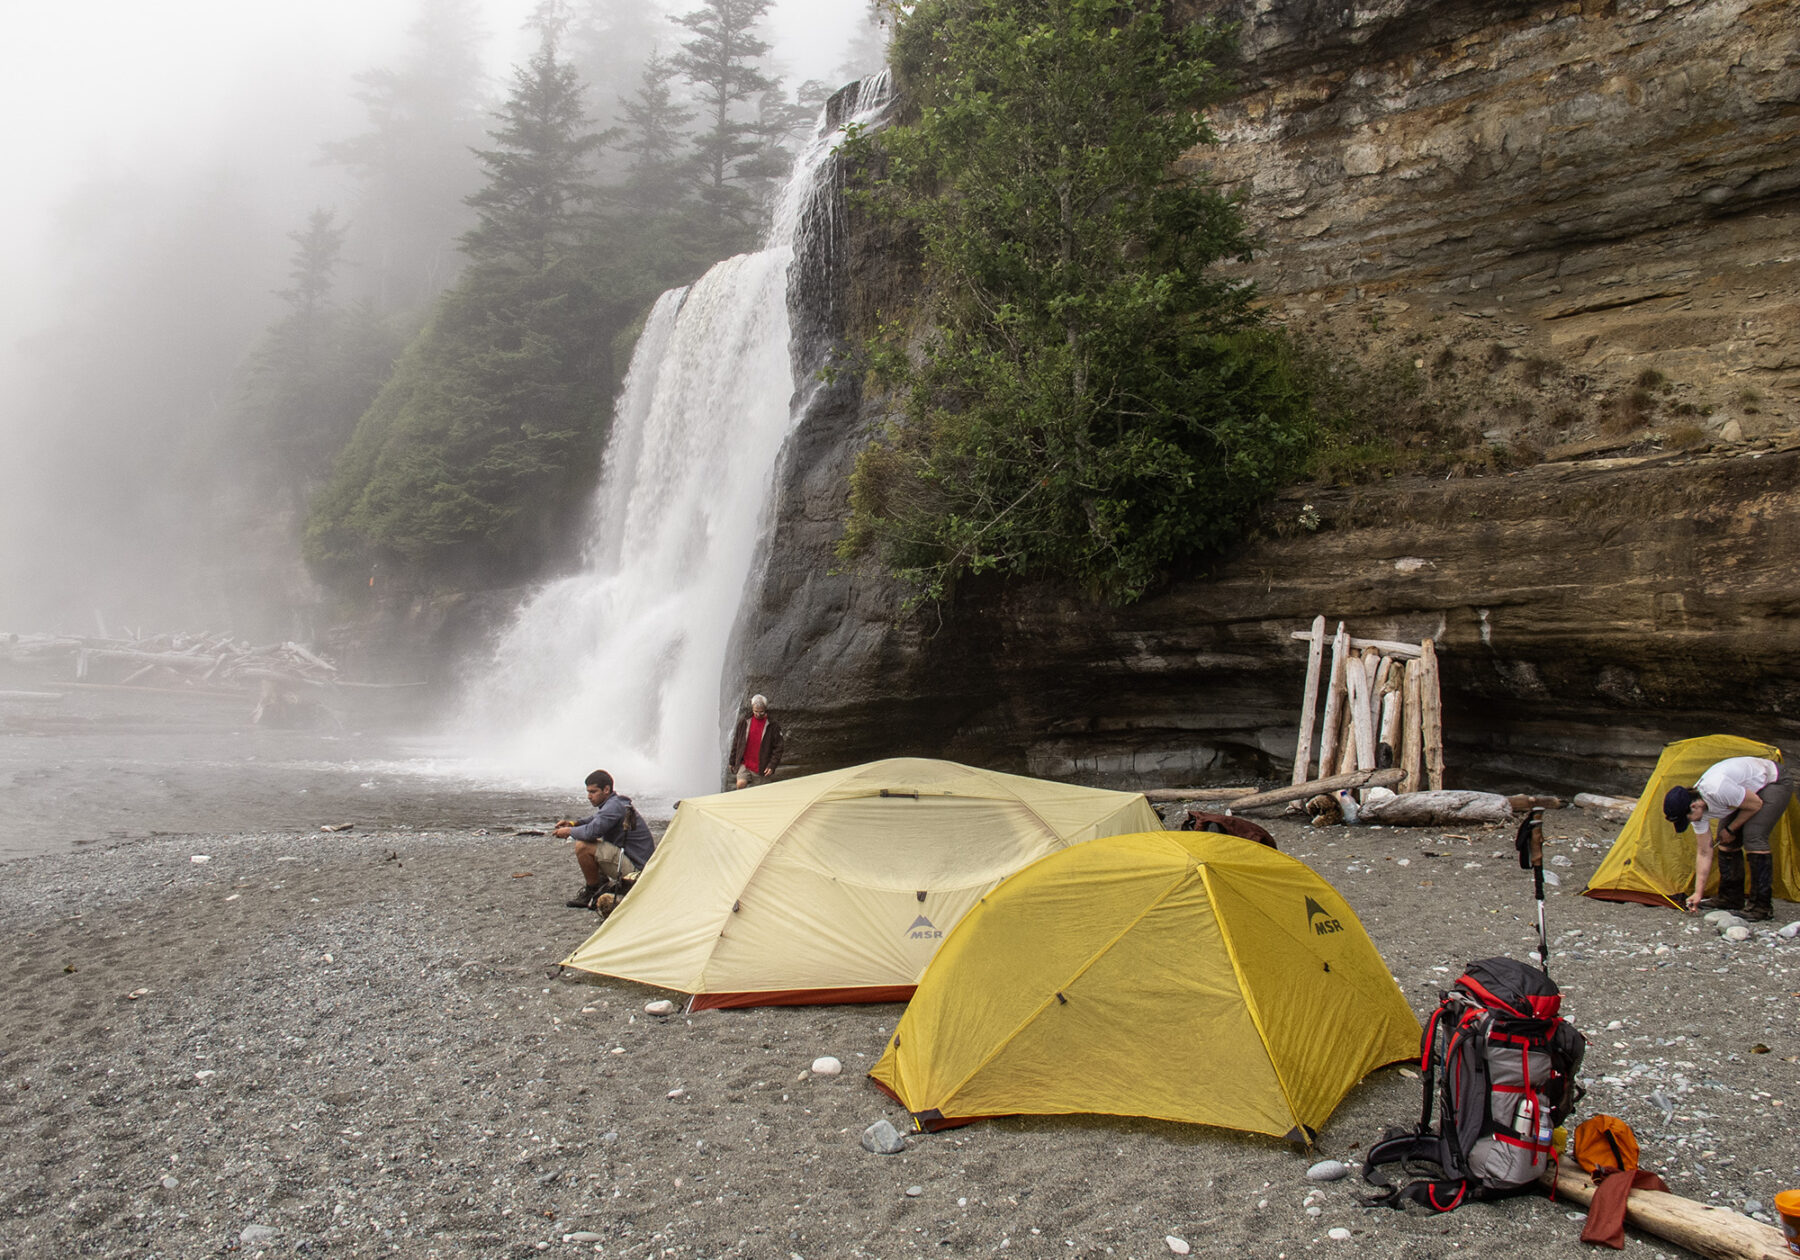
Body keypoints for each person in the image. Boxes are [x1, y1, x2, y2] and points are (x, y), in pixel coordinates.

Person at [1663, 754, 1790, 921]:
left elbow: (1756, 804)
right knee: (1724, 839)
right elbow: (1704, 851)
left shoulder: (1717, 789)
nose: (1689, 823)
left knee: (1754, 836)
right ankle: (1731, 897)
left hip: (1773, 781)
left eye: (1686, 819)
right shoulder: (1696, 810)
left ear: (1694, 806)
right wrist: (1698, 893)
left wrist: (1731, 829)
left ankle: (1761, 907)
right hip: (1745, 792)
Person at [554, 769, 656, 910]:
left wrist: (569, 831)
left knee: (583, 846)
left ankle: (592, 891)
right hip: (637, 864)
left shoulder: (613, 806)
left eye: (593, 792)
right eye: (588, 792)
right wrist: (573, 823)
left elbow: (592, 832)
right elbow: (594, 820)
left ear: (606, 789)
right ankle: (603, 887)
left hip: (638, 871)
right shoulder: (614, 803)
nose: (589, 796)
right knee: (591, 843)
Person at [726, 694, 784, 789]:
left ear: (765, 709)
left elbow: (779, 747)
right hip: (745, 764)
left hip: (762, 766)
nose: (758, 714)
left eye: (761, 712)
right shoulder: (744, 722)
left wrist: (772, 765)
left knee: (760, 793)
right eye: (755, 711)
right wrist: (732, 761)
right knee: (740, 784)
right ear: (752, 708)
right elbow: (736, 742)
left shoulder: (773, 726)